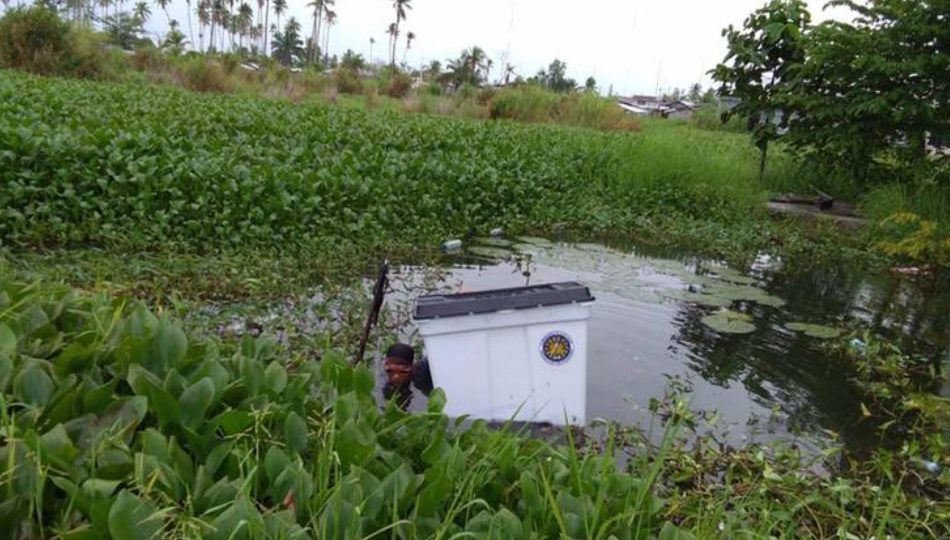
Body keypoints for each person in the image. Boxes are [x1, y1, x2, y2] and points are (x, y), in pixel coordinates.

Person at [382, 343, 433, 409]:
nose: (396, 376)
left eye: (403, 372)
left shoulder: (423, 374)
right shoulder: (382, 377)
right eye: (390, 371)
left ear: (413, 368)